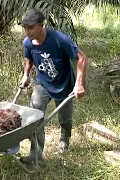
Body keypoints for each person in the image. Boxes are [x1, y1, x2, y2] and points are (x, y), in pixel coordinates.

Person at [19, 8, 88, 163]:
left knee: (65, 119)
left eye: (31, 27)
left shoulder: (59, 39)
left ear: (41, 25)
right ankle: (36, 155)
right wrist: (26, 75)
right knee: (34, 117)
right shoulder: (28, 42)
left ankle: (64, 139)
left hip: (64, 83)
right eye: (25, 28)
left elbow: (81, 58)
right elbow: (29, 59)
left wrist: (79, 84)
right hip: (42, 82)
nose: (27, 32)